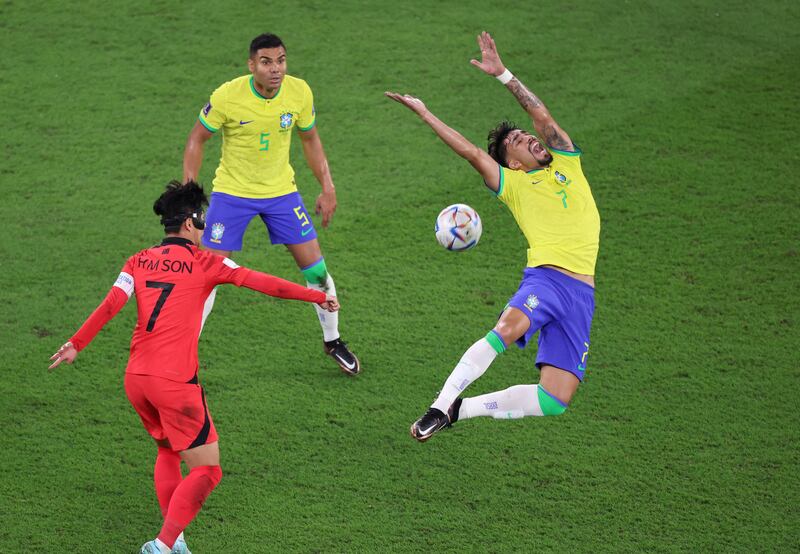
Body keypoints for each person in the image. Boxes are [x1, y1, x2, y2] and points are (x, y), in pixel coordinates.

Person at [48, 181, 339, 553]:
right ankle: (163, 545)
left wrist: (76, 344)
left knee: (168, 451)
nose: (204, 231)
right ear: (189, 223)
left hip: (137, 379)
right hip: (175, 382)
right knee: (208, 470)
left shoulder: (137, 260)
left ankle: (176, 539)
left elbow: (110, 305)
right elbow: (264, 284)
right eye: (201, 224)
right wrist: (317, 295)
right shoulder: (207, 263)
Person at [386, 31, 601, 442]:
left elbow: (543, 118)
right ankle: (438, 404)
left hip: (581, 294)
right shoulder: (513, 186)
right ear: (513, 165)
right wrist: (426, 114)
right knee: (508, 328)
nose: (531, 139)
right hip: (547, 279)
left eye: (526, 136)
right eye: (519, 143)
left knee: (555, 399)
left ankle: (459, 410)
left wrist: (503, 74)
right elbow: (471, 152)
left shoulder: (567, 162)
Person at [183, 32, 360, 375]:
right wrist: (190, 193)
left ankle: (333, 340)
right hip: (232, 194)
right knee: (206, 276)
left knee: (316, 270)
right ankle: (184, 355)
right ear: (252, 65)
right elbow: (197, 138)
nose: (275, 69)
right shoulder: (228, 95)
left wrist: (328, 186)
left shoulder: (299, 92)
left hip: (281, 193)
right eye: (266, 62)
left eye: (280, 60)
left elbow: (310, 140)